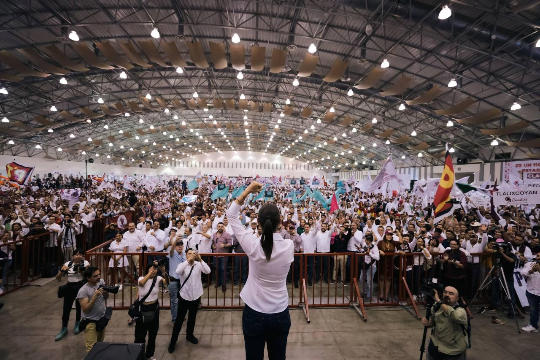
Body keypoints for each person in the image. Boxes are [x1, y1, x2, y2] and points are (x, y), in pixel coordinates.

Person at [226, 181, 294, 360]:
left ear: (259, 224)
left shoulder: (253, 245)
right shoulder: (289, 246)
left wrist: (247, 190)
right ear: (280, 223)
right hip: (280, 311)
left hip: (254, 312)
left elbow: (231, 215)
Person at [168, 248, 211, 353]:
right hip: (184, 297)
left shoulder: (198, 264)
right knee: (179, 320)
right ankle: (173, 342)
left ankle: (189, 335)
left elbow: (208, 271)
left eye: (193, 253)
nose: (192, 255)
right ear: (186, 255)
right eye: (189, 254)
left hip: (196, 296)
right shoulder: (183, 265)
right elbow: (177, 271)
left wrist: (200, 260)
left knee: (192, 318)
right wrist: (188, 261)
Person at [421, 286, 469, 360]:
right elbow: (432, 323)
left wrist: (439, 301)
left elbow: (455, 316)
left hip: (452, 351)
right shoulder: (437, 306)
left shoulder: (461, 311)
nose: (447, 295)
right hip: (435, 347)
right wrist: (427, 322)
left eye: (451, 293)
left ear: (457, 298)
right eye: (445, 292)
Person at [134, 260, 168, 360]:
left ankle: (150, 354)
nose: (154, 270)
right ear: (147, 269)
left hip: (154, 308)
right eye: (152, 268)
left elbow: (166, 283)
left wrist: (163, 271)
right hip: (143, 309)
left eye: (155, 269)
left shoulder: (158, 278)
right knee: (140, 334)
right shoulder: (141, 278)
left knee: (153, 333)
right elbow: (141, 283)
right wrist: (150, 273)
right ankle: (139, 355)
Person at [55, 249, 90, 341]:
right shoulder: (68, 264)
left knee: (79, 307)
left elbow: (88, 276)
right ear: (73, 256)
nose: (78, 256)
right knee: (66, 307)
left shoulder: (85, 263)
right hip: (69, 286)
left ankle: (77, 324)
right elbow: (58, 278)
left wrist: (81, 270)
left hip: (80, 286)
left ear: (82, 256)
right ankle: (64, 328)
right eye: (76, 254)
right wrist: (62, 271)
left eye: (80, 254)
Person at [77, 266, 108, 353]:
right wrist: (94, 297)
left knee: (100, 345)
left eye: (99, 274)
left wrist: (106, 293)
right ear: (88, 278)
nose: (98, 277)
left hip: (101, 318)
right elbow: (86, 309)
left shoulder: (101, 282)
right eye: (95, 276)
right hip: (90, 322)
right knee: (91, 349)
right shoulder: (83, 290)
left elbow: (105, 298)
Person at [167, 238, 186, 322]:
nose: (179, 247)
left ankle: (181, 316)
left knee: (182, 300)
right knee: (174, 301)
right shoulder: (172, 253)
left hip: (182, 281)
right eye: (178, 245)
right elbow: (171, 250)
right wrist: (174, 242)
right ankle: (175, 318)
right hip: (173, 280)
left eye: (181, 245)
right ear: (175, 247)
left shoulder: (185, 254)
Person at [520, 253, 540, 333]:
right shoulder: (530, 264)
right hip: (531, 292)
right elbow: (522, 273)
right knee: (533, 310)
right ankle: (533, 325)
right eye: (538, 255)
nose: (538, 257)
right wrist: (531, 271)